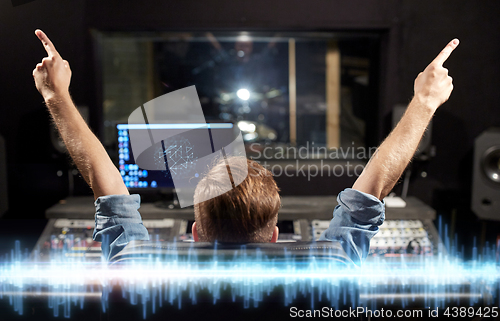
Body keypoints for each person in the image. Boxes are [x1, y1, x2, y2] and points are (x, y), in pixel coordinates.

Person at [32, 29, 459, 263]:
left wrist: (57, 98)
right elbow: (374, 186)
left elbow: (108, 190)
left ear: (194, 232)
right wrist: (424, 102)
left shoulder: (137, 267)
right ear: (275, 236)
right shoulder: (332, 267)